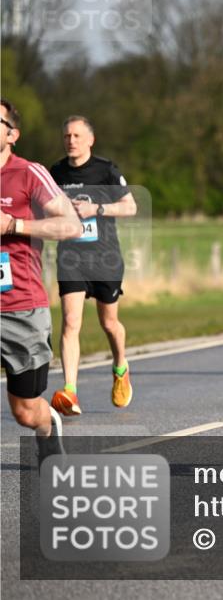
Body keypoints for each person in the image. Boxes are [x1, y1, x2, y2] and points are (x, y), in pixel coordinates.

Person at [0, 98, 82, 464]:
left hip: (19, 307)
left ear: (12, 134)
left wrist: (14, 225)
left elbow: (71, 225)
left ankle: (47, 425)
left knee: (25, 411)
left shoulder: (29, 173)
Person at [48, 116, 138, 416]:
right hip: (71, 258)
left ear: (90, 140)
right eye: (66, 136)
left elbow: (130, 207)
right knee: (70, 322)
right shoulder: (56, 172)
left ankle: (120, 366)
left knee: (109, 323)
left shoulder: (106, 170)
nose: (71, 141)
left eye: (76, 135)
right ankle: (70, 391)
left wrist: (95, 208)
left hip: (104, 258)